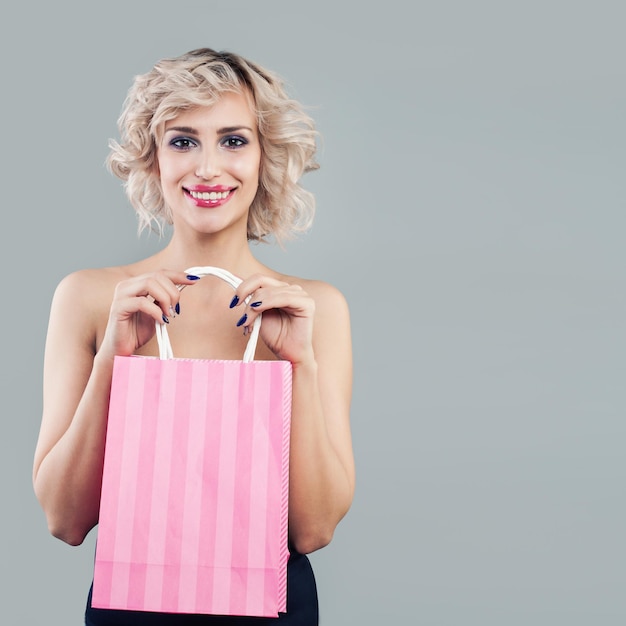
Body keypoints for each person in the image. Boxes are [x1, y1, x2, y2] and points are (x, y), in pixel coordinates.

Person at [32, 48, 355, 625]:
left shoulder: (313, 310)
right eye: (183, 141)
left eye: (233, 140)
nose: (208, 167)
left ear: (265, 158)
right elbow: (65, 520)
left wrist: (298, 364)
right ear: (153, 159)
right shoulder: (89, 298)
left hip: (270, 608)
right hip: (132, 606)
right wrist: (113, 356)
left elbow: (314, 528)